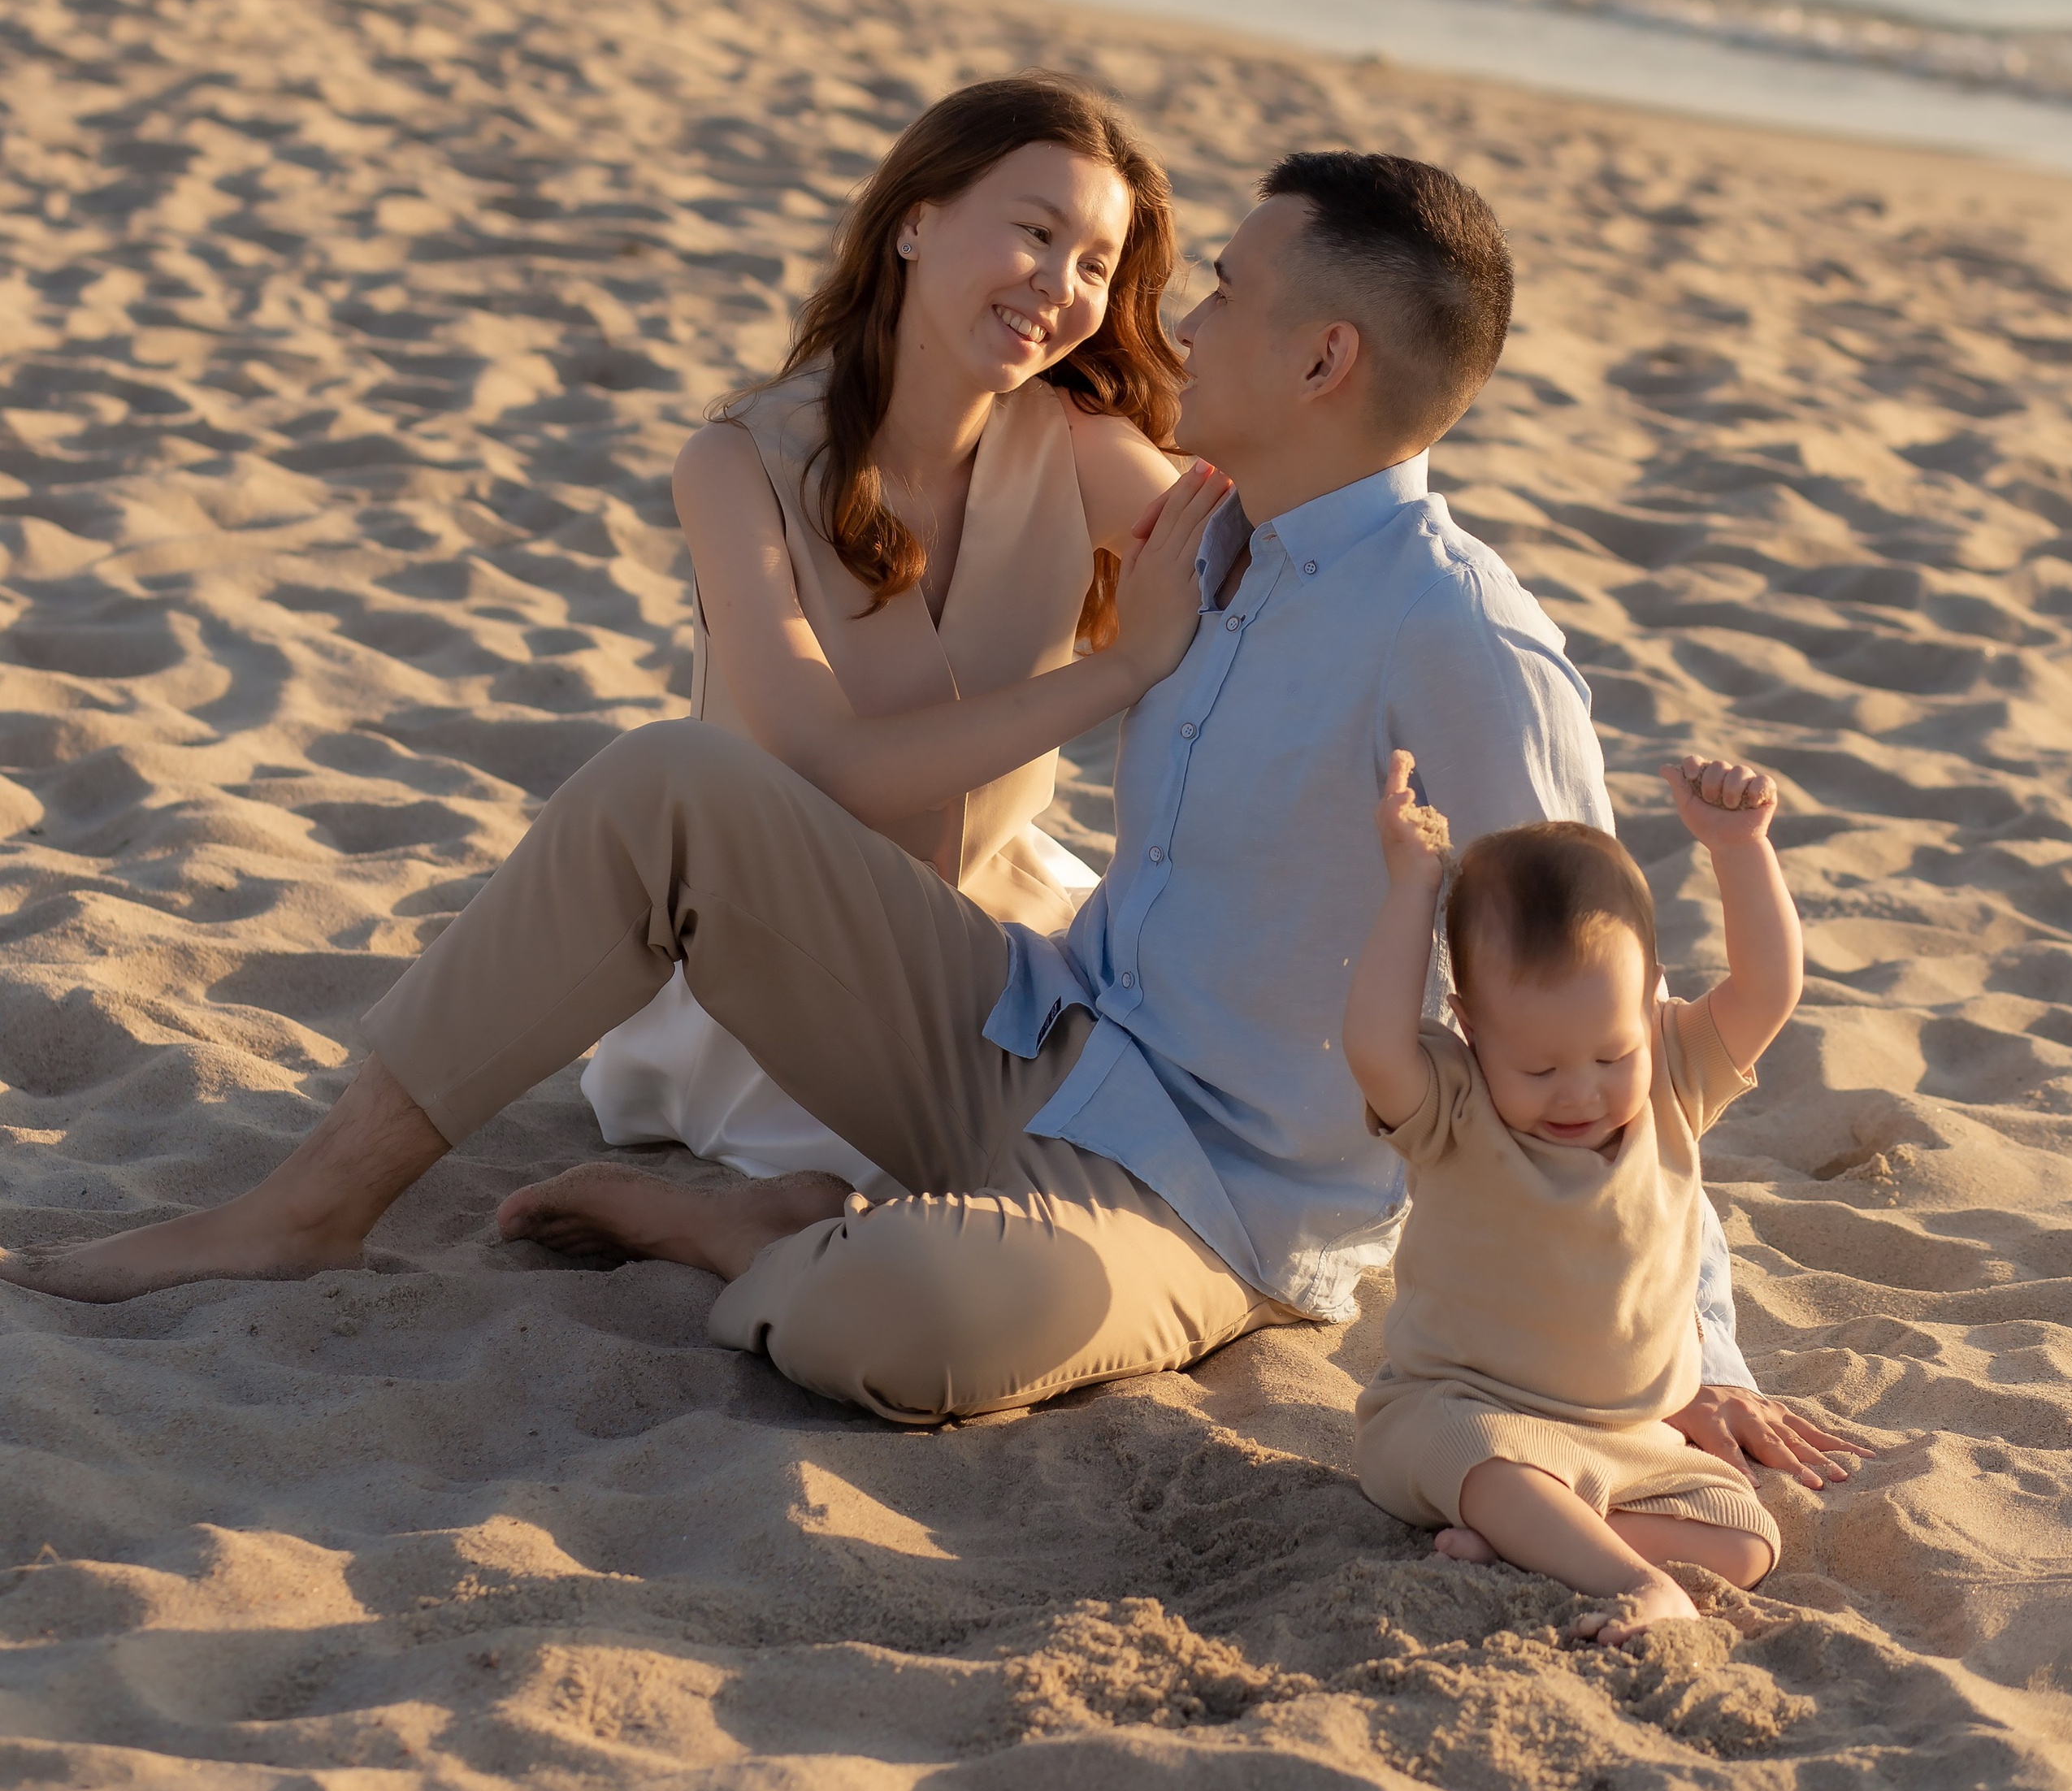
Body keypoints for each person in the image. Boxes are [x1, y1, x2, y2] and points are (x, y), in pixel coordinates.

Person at [4, 142, 1858, 1493]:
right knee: (671, 781)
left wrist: (1691, 1352)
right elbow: (945, 473)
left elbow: (1612, 1028)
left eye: (1215, 286)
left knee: (894, 1318)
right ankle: (307, 1207)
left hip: (1208, 1203)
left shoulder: (1461, 638)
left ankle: (753, 1228)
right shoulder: (1208, 525)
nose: (1173, 316)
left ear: (1323, 364)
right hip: (1033, 1029)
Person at [579, 71, 1200, 1189]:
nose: (1061, 286)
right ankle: (723, 1217)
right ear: (917, 220)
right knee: (1016, 1178)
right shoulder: (738, 465)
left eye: (1097, 265)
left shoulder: (1072, 438)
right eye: (1035, 231)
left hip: (1006, 940)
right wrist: (1128, 668)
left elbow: (1262, 570)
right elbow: (833, 767)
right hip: (793, 970)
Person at [1346, 750, 1804, 1642]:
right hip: (1464, 1411)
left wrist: (1739, 848)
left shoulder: (1673, 1072)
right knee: (1479, 1460)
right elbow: (1372, 1045)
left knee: (1748, 1538)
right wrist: (1411, 885)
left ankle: (1542, 1544)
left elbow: (1768, 989)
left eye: (1609, 1055)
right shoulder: (1454, 1102)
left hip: (1634, 1440)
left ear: (1649, 1010)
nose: (1580, 1093)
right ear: (1470, 1028)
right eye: (1540, 1066)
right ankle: (1633, 1579)